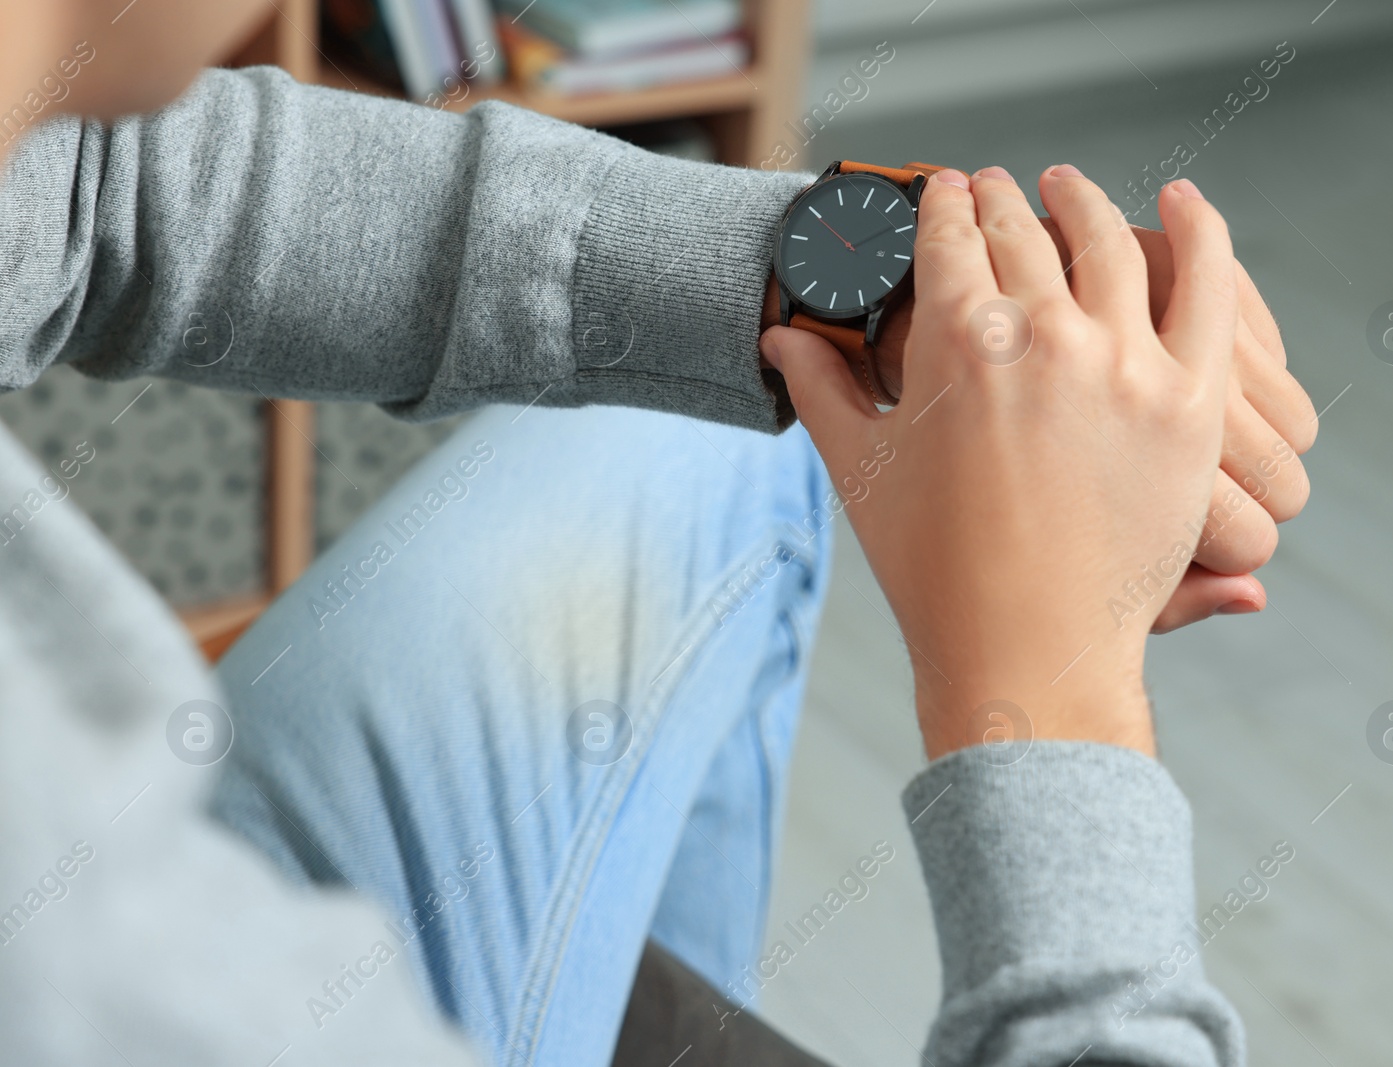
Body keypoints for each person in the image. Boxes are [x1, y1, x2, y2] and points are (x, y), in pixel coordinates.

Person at [0, 1, 1314, 1063]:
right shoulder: (94, 964)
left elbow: (97, 196)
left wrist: (878, 281)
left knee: (723, 422)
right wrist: (1050, 696)